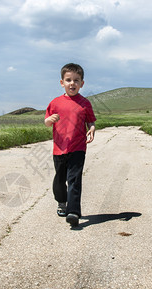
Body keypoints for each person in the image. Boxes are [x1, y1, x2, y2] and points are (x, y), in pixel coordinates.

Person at [44, 63, 96, 227]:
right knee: (59, 180)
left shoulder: (85, 103)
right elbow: (46, 121)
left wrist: (92, 129)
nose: (72, 83)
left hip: (78, 148)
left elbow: (91, 121)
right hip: (59, 148)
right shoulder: (55, 103)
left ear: (82, 83)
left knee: (74, 179)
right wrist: (49, 120)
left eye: (76, 80)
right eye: (68, 80)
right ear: (62, 83)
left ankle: (73, 212)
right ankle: (62, 202)